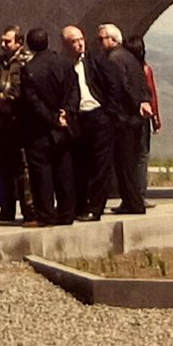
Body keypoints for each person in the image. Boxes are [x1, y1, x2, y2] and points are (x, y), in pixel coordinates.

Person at [16, 26, 77, 227]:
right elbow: (74, 91)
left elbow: (33, 102)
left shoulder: (29, 70)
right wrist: (66, 112)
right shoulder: (65, 63)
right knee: (64, 170)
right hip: (63, 125)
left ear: (29, 45)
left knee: (41, 173)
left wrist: (51, 118)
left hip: (39, 129)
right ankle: (67, 213)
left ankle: (46, 215)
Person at [61, 24, 118, 222]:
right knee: (79, 164)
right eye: (74, 42)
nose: (79, 45)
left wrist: (109, 113)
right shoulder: (65, 64)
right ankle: (80, 205)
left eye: (81, 40)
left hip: (98, 115)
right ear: (66, 45)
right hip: (78, 118)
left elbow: (113, 85)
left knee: (100, 164)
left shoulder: (97, 60)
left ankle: (96, 208)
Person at [0, 24, 33, 222]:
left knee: (24, 167)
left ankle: (29, 208)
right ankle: (7, 208)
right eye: (2, 41)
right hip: (1, 123)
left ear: (19, 42)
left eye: (7, 41)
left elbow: (22, 92)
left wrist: (4, 98)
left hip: (19, 121)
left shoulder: (27, 62)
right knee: (4, 166)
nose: (3, 44)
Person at [97, 24, 150, 215]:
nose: (100, 43)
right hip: (134, 119)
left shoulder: (114, 59)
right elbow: (142, 85)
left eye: (102, 38)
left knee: (124, 163)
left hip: (124, 119)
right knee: (130, 162)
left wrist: (118, 111)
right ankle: (132, 201)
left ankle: (133, 203)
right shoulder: (130, 58)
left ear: (113, 39)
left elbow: (121, 87)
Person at [122, 32, 160, 208]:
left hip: (128, 117)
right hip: (143, 117)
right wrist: (156, 119)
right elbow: (152, 95)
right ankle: (139, 194)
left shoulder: (126, 69)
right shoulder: (145, 69)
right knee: (141, 157)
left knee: (131, 157)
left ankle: (132, 196)